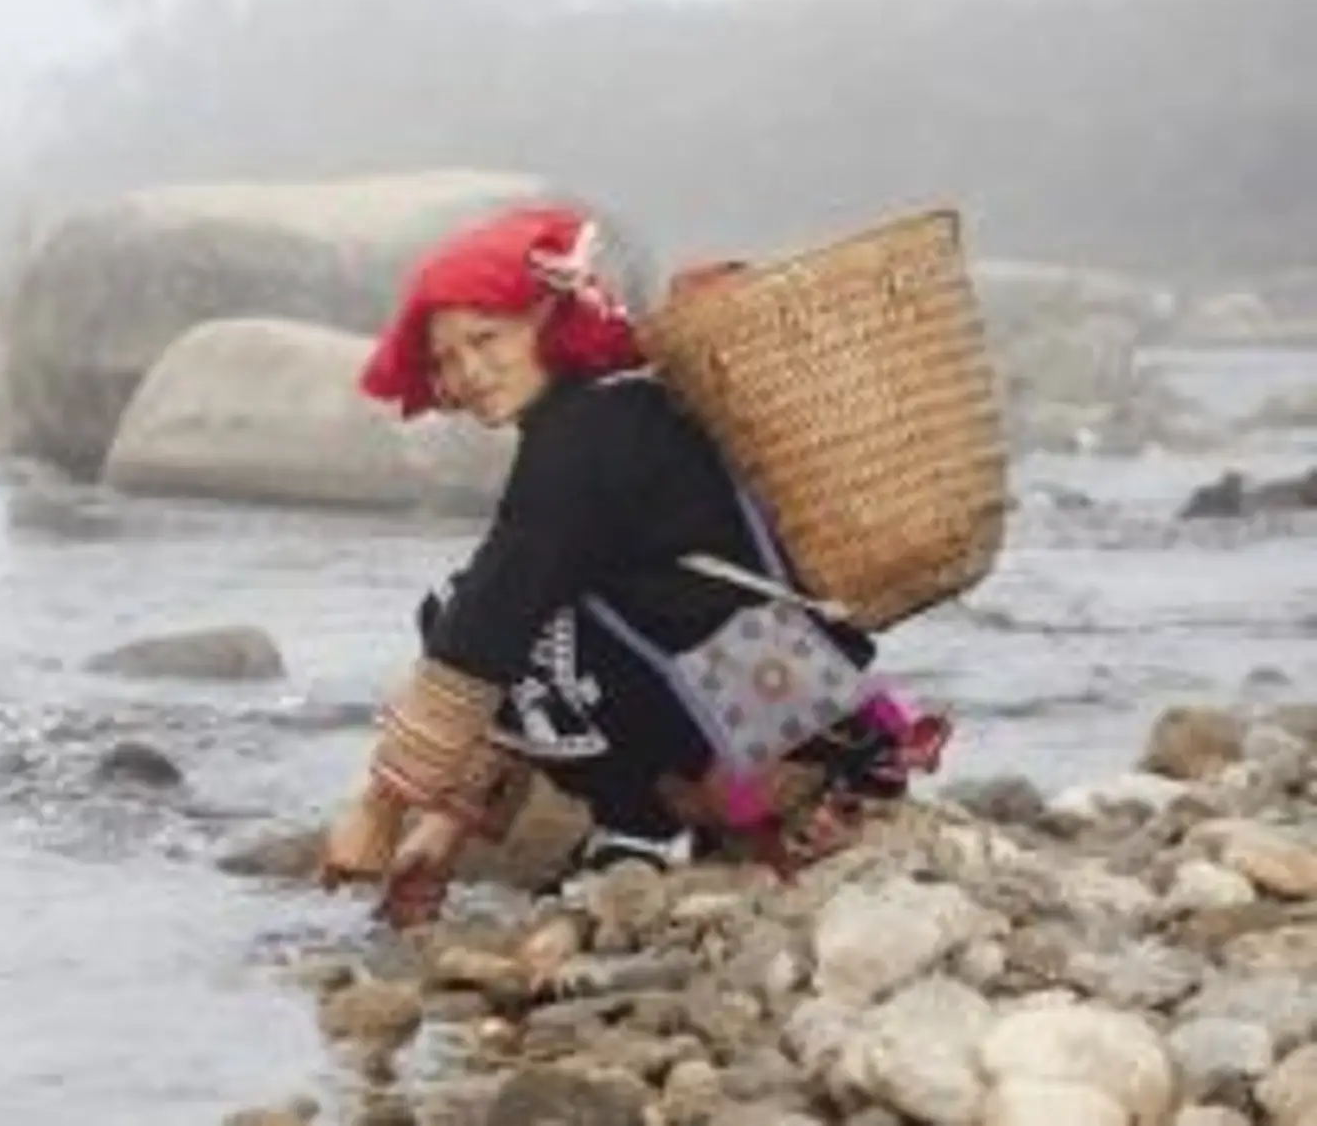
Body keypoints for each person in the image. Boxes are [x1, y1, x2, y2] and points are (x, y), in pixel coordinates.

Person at [317, 204, 950, 928]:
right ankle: (653, 825)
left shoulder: (585, 437)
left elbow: (484, 629)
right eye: (448, 359)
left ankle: (645, 827)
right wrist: (441, 828)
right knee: (505, 604)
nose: (470, 370)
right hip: (806, 705)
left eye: (486, 338)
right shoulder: (624, 405)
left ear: (551, 320)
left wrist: (382, 809)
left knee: (471, 614)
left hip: (762, 738)